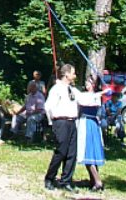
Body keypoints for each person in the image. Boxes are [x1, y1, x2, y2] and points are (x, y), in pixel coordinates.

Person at [44, 63, 80, 193]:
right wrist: (52, 122)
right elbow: (48, 106)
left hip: (72, 123)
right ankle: (49, 178)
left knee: (72, 153)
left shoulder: (73, 90)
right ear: (66, 74)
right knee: (61, 152)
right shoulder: (56, 89)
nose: (75, 75)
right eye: (73, 73)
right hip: (61, 122)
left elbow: (84, 99)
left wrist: (102, 93)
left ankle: (66, 181)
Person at [76, 76, 109, 192]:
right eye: (86, 82)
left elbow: (88, 100)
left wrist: (104, 92)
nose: (86, 84)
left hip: (89, 125)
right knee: (89, 155)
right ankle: (93, 180)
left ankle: (98, 181)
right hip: (88, 123)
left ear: (94, 85)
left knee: (88, 154)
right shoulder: (90, 95)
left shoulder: (94, 96)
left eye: (89, 82)